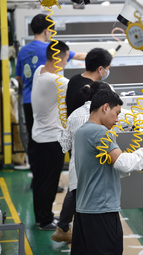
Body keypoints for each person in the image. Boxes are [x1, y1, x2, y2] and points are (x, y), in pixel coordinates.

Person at [71, 89, 143, 255]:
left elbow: (103, 167)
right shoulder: (100, 132)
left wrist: (138, 163)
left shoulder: (82, 132)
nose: (117, 120)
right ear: (105, 108)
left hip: (85, 211)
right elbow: (122, 163)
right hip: (101, 211)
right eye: (116, 113)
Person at [15, 13, 86, 189]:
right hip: (48, 102)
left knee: (34, 142)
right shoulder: (52, 49)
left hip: (28, 101)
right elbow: (77, 56)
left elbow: (19, 77)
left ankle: (37, 178)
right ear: (48, 31)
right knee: (51, 143)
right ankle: (49, 181)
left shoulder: (23, 50)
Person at [51, 82, 112, 243]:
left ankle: (68, 231)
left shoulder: (74, 115)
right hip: (99, 172)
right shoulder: (105, 115)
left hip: (77, 168)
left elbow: (64, 145)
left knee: (77, 202)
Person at [31, 40, 70, 230]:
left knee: (39, 180)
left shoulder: (40, 71)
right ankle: (46, 220)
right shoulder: (57, 81)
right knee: (49, 181)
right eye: (65, 59)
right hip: (51, 140)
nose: (66, 63)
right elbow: (81, 88)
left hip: (38, 137)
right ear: (57, 58)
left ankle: (41, 216)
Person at [66, 47, 112, 117]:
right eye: (108, 68)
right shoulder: (96, 89)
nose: (107, 72)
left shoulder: (73, 80)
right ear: (100, 69)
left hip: (72, 125)